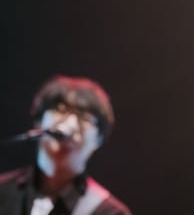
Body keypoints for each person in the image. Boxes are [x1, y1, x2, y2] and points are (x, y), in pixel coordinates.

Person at [0, 75, 131, 215]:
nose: (70, 124)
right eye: (61, 110)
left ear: (99, 139)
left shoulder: (109, 211)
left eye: (84, 118)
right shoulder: (3, 189)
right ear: (39, 121)